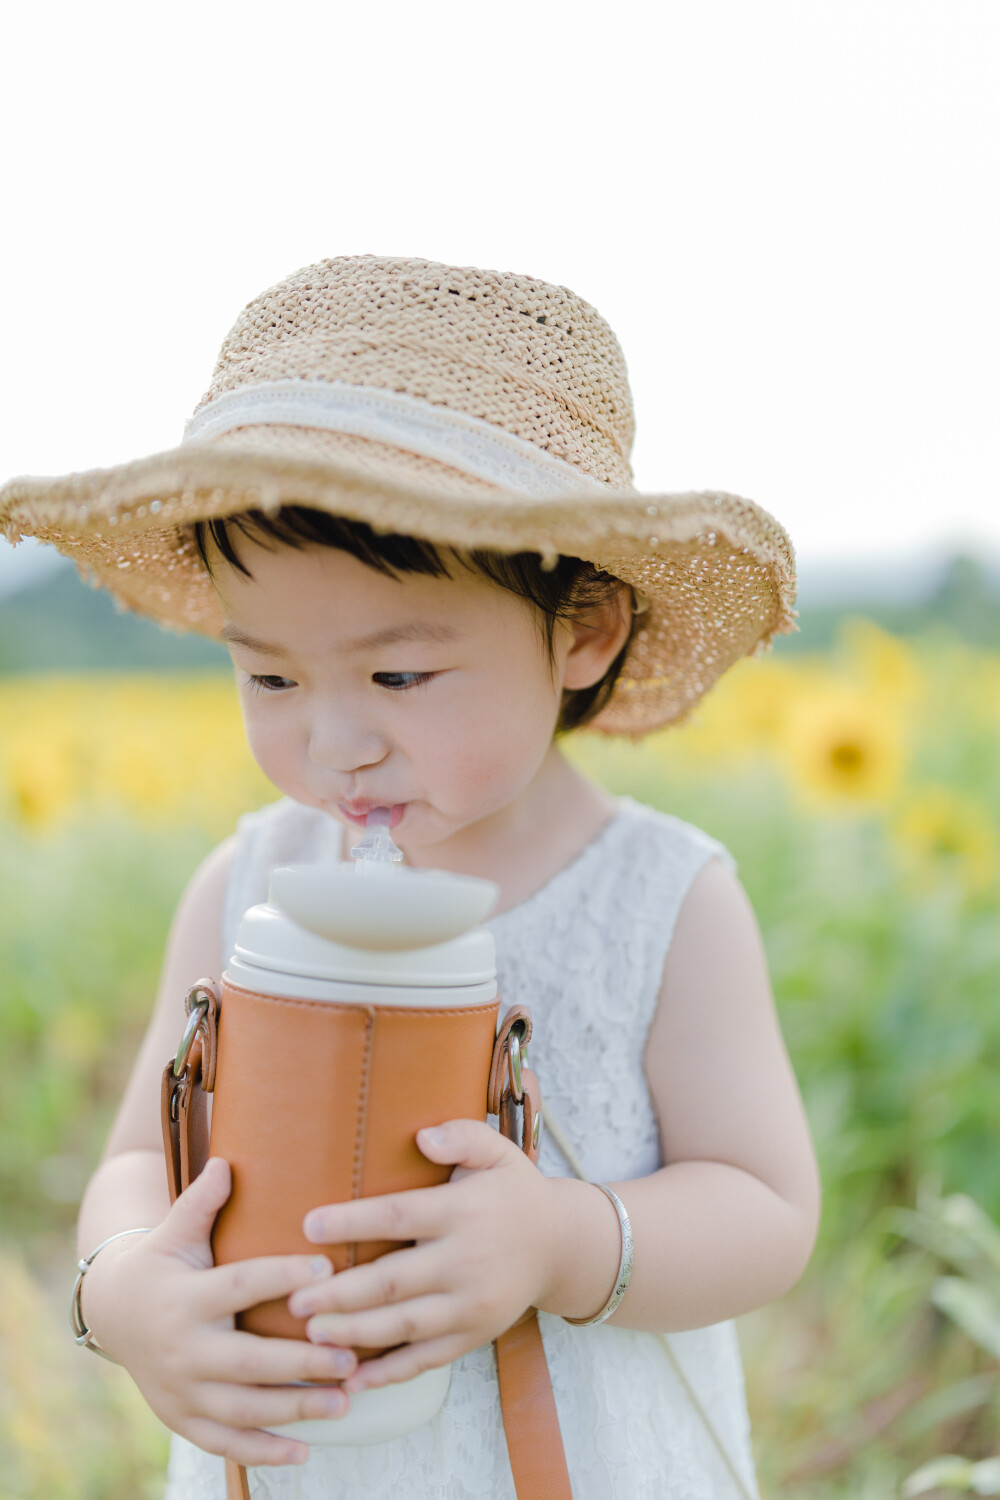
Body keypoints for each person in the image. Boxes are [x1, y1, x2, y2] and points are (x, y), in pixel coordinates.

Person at [0, 254, 821, 1499]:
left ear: (583, 630)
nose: (334, 744)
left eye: (397, 677)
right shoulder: (249, 879)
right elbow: (137, 1162)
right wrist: (121, 1288)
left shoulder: (660, 897)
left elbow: (766, 1210)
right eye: (270, 677)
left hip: (581, 1462)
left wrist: (559, 1239)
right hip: (288, 1460)